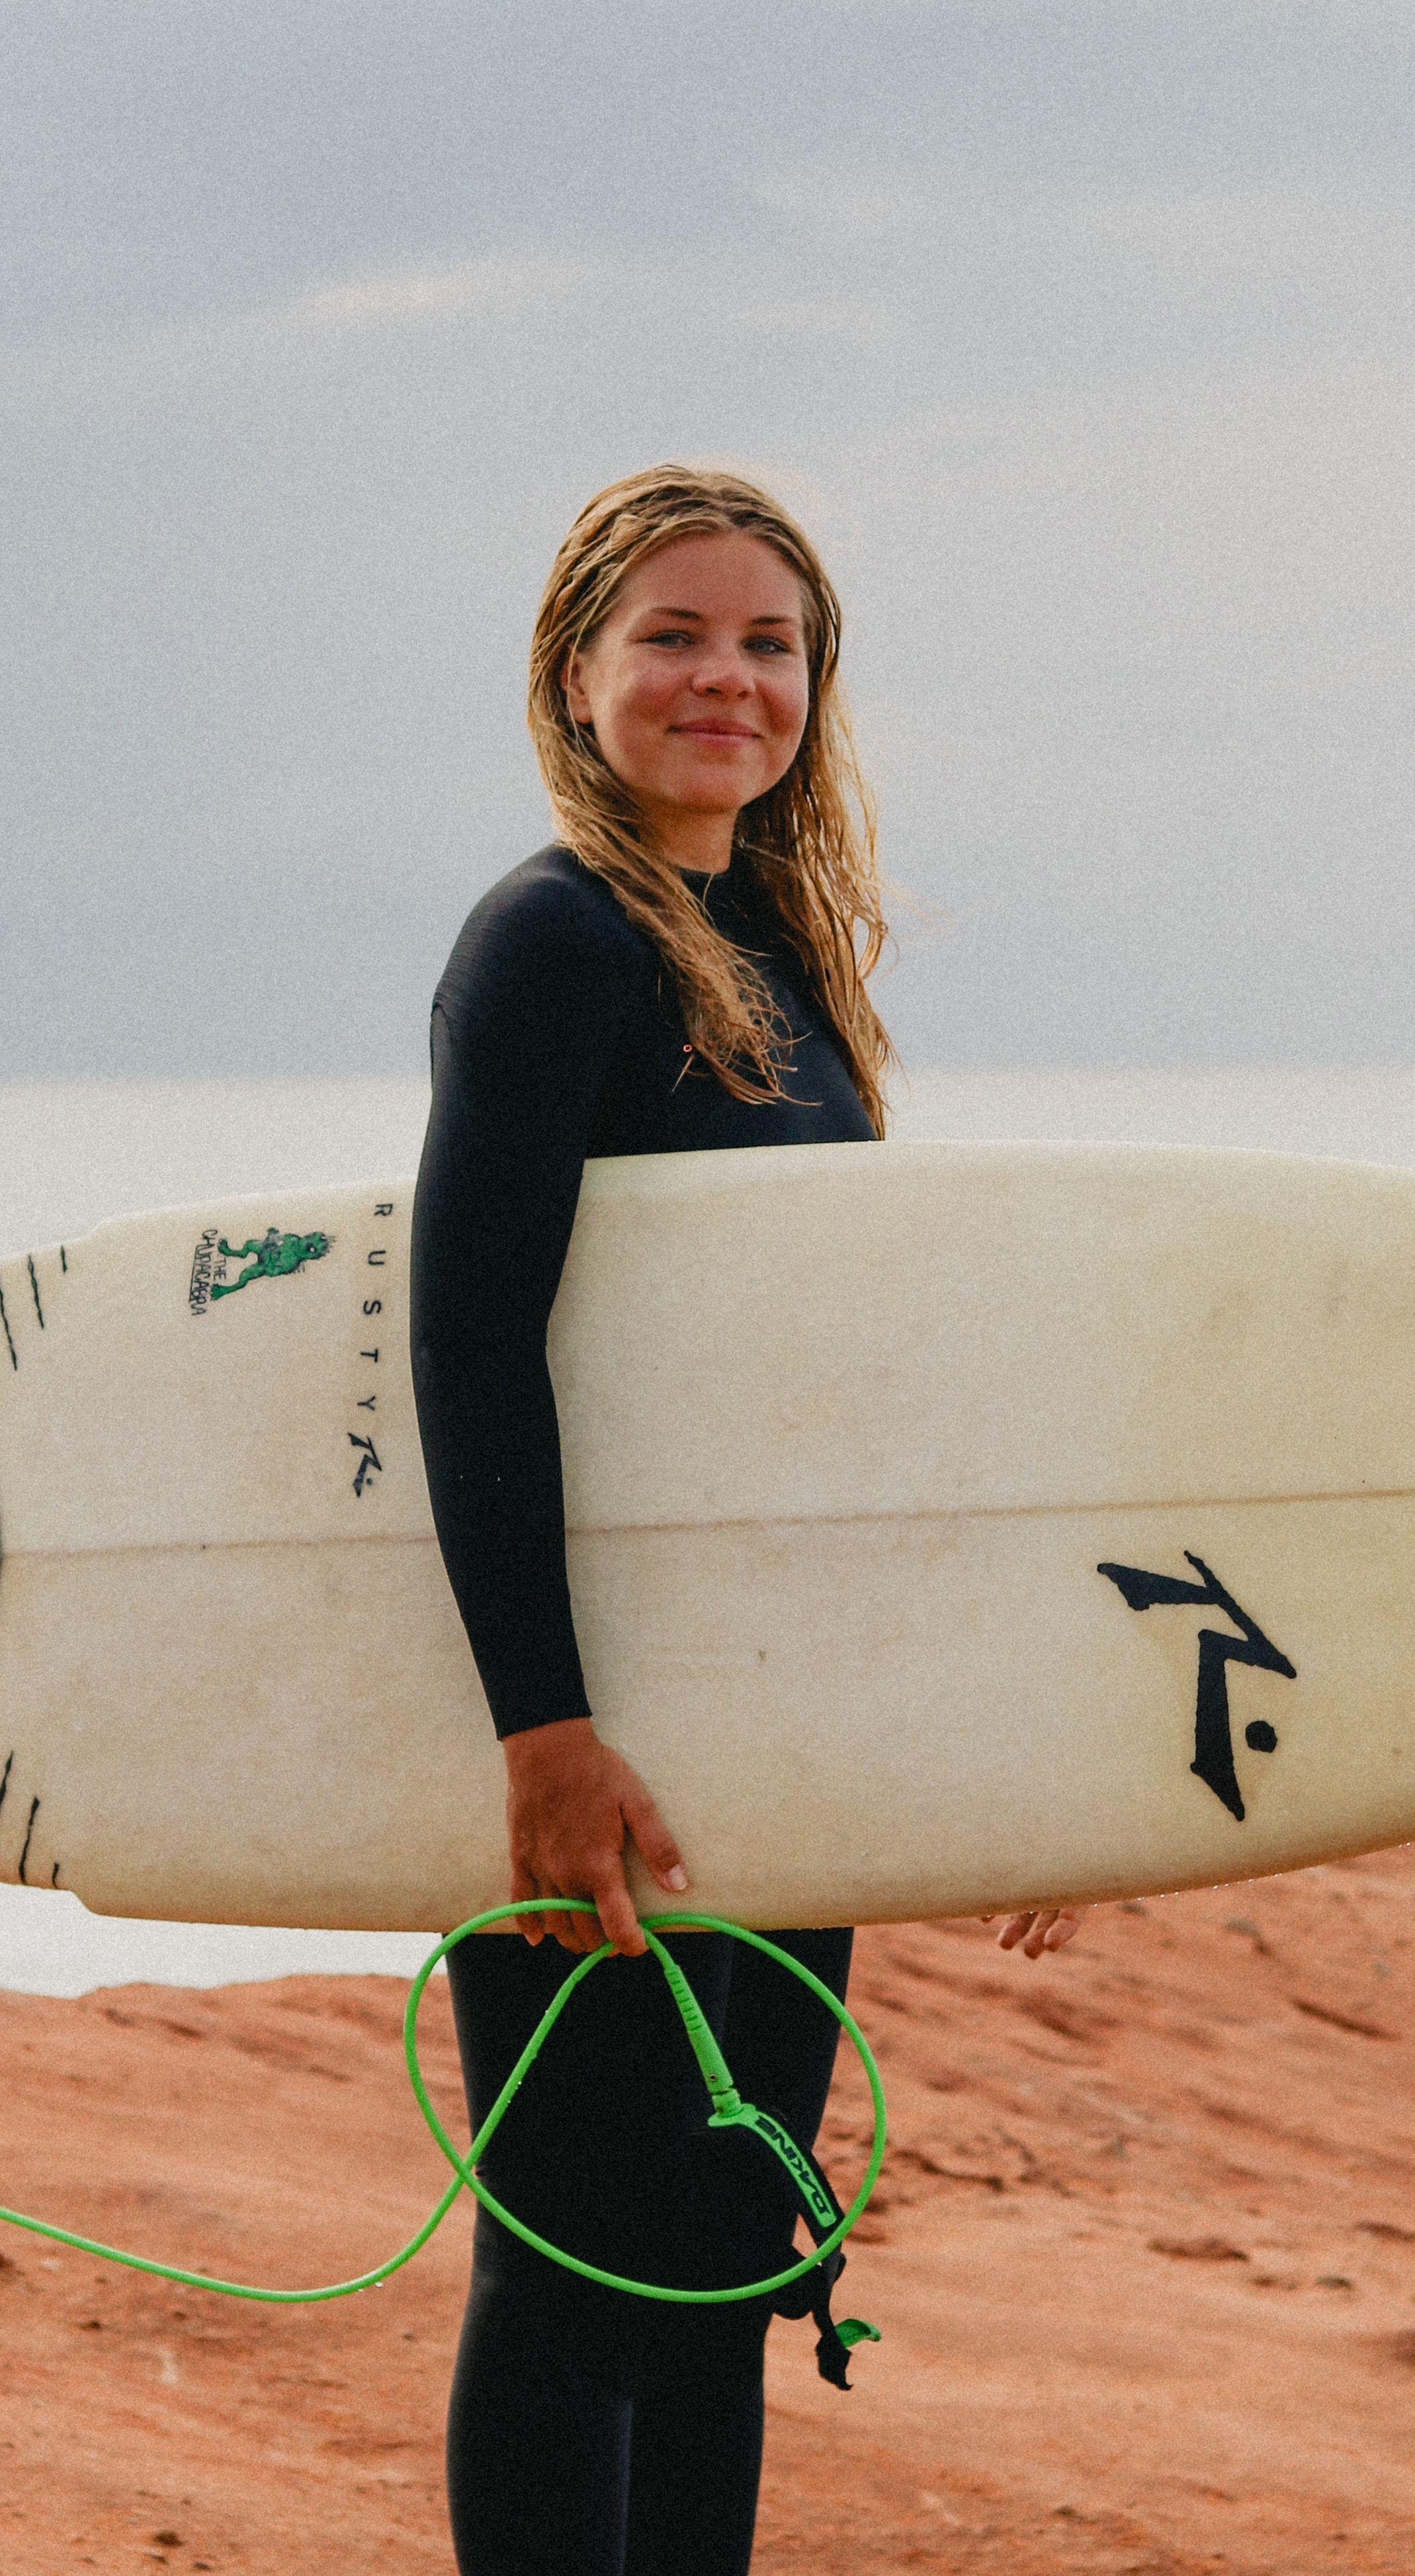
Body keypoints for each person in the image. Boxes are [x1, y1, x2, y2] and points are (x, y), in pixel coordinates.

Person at [409, 464, 1081, 2576]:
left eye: (771, 644)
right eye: (676, 638)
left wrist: (970, 1760)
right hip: (598, 1716)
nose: (729, 680)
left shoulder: (777, 957)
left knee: (725, 2253)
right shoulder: (549, 946)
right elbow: (467, 1349)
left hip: (762, 1715)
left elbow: (833, 1416)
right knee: (577, 2264)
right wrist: (542, 1728)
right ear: (575, 674)